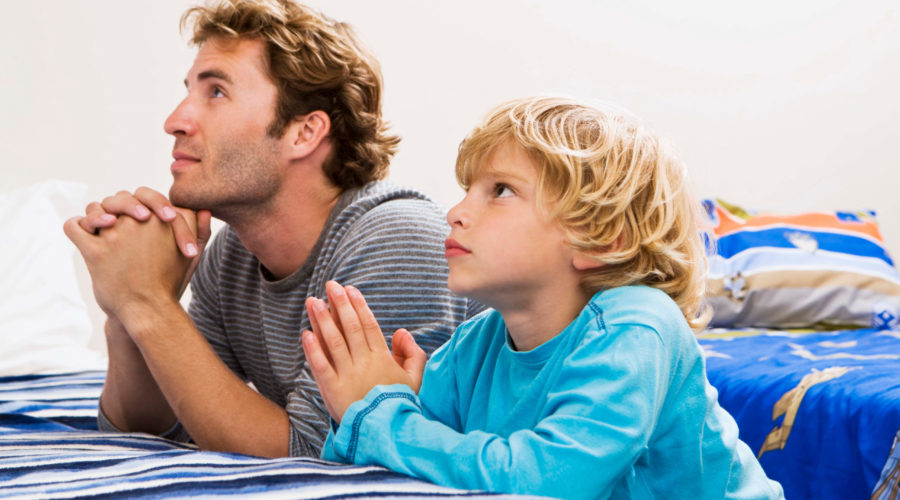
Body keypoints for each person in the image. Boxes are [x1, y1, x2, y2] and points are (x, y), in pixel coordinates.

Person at [300, 97, 786, 498]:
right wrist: (383, 405)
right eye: (468, 190)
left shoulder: (637, 326)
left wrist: (381, 416)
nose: (455, 212)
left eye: (502, 191)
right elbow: (389, 470)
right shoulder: (476, 344)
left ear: (602, 239)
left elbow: (546, 483)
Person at [63, 0, 478, 458]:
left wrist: (150, 304)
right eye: (189, 92)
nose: (175, 121)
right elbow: (167, 426)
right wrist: (127, 307)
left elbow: (317, 452)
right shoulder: (233, 257)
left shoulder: (394, 239)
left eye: (216, 92)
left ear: (303, 133)